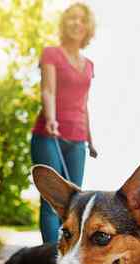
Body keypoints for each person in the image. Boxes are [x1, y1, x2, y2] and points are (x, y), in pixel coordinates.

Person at [31, 2, 97, 244]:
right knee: (52, 201)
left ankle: (67, 255)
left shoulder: (89, 65)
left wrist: (91, 141)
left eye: (82, 19)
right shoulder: (51, 53)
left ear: (88, 26)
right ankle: (50, 256)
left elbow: (84, 104)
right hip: (49, 136)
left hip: (78, 139)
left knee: (72, 204)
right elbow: (48, 90)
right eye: (71, 18)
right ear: (64, 23)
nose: (76, 23)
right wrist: (50, 119)